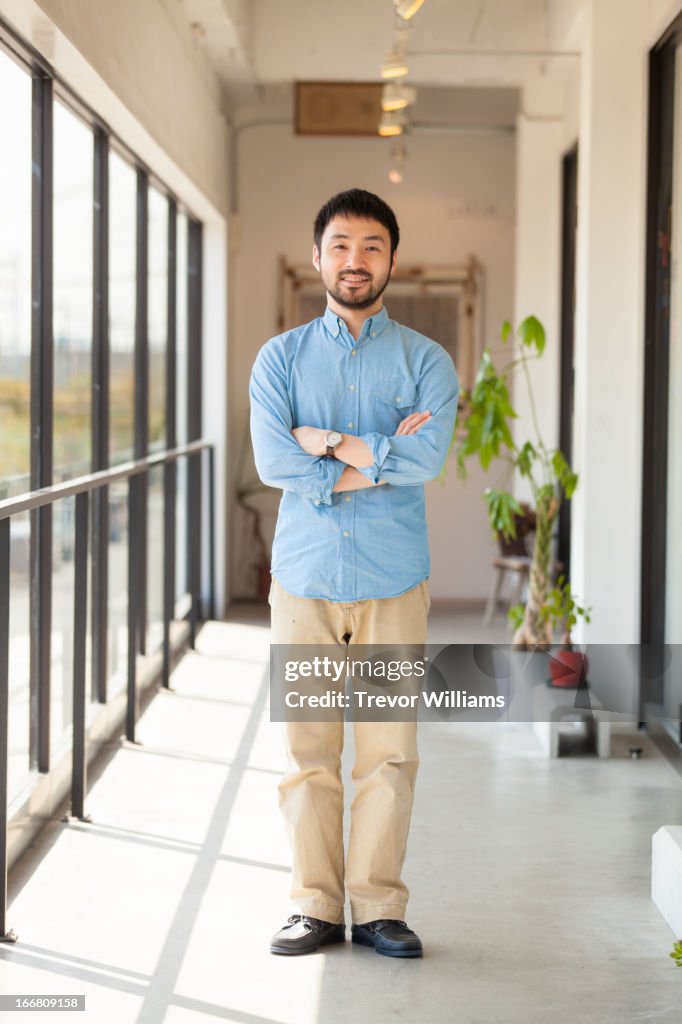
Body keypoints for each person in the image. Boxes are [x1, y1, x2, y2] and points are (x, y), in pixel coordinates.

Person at [249, 188, 459, 958]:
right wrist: (377, 453)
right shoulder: (279, 361)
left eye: (371, 246)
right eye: (340, 245)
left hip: (393, 580)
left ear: (392, 260)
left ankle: (377, 908)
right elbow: (276, 460)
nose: (355, 261)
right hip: (303, 581)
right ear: (318, 257)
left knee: (388, 752)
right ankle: (313, 905)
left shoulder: (426, 361)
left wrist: (326, 443)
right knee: (307, 751)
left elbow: (428, 458)